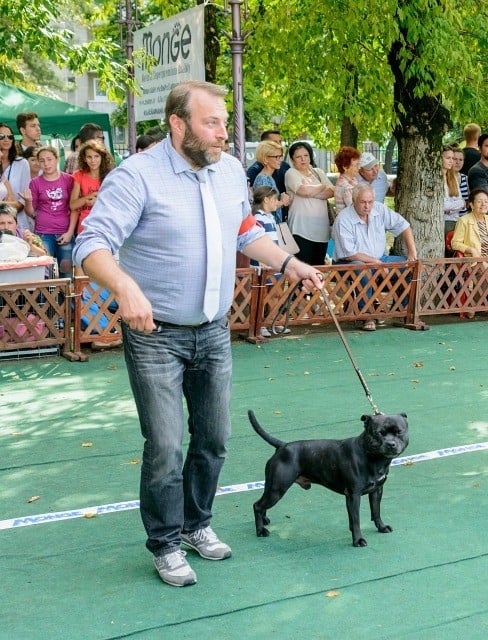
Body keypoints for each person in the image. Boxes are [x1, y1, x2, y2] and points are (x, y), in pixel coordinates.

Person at [73, 81, 324, 587]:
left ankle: (197, 525)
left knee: (214, 439)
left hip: (212, 331)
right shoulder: (136, 176)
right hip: (154, 336)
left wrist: (289, 262)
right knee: (166, 446)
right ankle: (165, 542)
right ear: (178, 124)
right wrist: (124, 286)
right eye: (212, 123)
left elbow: (246, 232)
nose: (223, 134)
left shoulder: (230, 170)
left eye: (225, 123)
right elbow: (90, 243)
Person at [331, 184, 418, 331]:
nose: (367, 206)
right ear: (353, 200)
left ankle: (401, 311)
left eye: (370, 202)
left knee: (410, 266)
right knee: (363, 269)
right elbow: (350, 253)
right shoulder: (343, 218)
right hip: (348, 262)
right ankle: (366, 315)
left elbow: (404, 226)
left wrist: (412, 252)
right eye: (363, 202)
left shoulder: (379, 209)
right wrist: (376, 263)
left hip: (379, 259)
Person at [450, 189, 488, 319]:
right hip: (472, 259)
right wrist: (470, 249)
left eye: (486, 201)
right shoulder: (464, 220)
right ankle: (473, 305)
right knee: (484, 267)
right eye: (479, 201)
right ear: (472, 204)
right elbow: (455, 243)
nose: (483, 204)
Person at [23, 146, 76, 274]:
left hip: (65, 233)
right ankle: (49, 295)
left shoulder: (69, 180)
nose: (46, 164)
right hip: (43, 233)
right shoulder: (35, 183)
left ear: (57, 159)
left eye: (49, 159)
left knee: (66, 270)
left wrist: (70, 233)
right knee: (45, 272)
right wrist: (28, 201)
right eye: (42, 160)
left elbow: (75, 207)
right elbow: (30, 212)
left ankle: (65, 295)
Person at [285, 140, 335, 266]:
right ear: (292, 159)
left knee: (318, 271)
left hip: (321, 231)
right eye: (298, 157)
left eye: (306, 156)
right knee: (302, 272)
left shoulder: (318, 172)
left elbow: (332, 191)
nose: (303, 159)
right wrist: (322, 186)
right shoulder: (291, 173)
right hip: (301, 230)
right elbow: (304, 191)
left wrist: (313, 191)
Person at [70, 140, 114, 237]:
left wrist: (98, 201)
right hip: (84, 228)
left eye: (96, 156)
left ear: (102, 157)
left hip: (105, 227)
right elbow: (72, 205)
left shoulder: (110, 176)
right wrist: (88, 197)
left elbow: (115, 203)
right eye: (89, 157)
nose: (93, 160)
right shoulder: (79, 175)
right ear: (84, 159)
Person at [252, 140, 292, 209]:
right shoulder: (263, 179)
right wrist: (282, 202)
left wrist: (281, 198)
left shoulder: (268, 177)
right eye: (277, 157)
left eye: (280, 156)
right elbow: (266, 206)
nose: (280, 160)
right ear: (265, 159)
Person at [442, 145, 467, 232]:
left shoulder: (453, 178)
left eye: (452, 158)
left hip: (456, 221)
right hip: (443, 222)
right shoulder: (436, 180)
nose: (451, 161)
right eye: (448, 158)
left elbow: (463, 203)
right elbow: (442, 205)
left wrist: (449, 209)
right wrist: (459, 204)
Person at [333, 146, 362, 215]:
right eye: (356, 165)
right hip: (347, 223)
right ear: (345, 167)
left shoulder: (352, 179)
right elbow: (356, 210)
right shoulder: (345, 186)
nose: (359, 167)